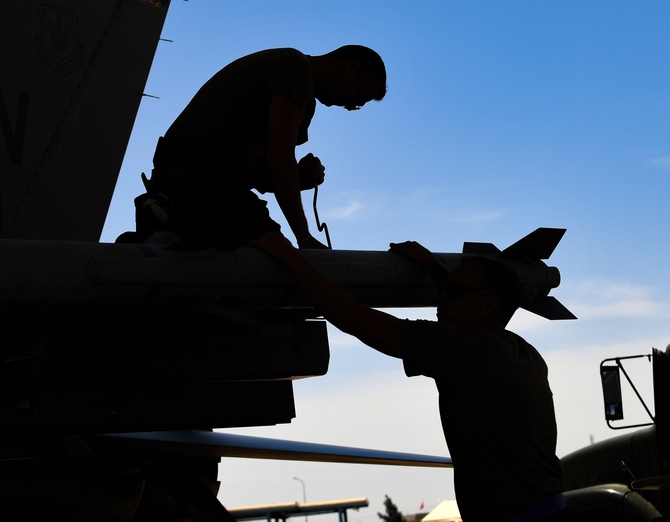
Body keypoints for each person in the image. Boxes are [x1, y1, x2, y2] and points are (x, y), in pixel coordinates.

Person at [252, 231, 569, 522]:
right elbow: (469, 308)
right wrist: (435, 267)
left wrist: (288, 255)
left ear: (489, 304)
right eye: (443, 289)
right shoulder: (519, 351)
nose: (440, 297)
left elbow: (354, 317)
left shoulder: (463, 350)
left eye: (453, 292)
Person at [144, 46, 386, 250]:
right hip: (197, 177)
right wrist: (304, 237)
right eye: (360, 97)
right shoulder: (296, 67)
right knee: (278, 258)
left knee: (269, 257)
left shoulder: (306, 106)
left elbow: (260, 175)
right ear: (351, 67)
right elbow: (280, 160)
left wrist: (300, 179)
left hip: (206, 181)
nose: (352, 106)